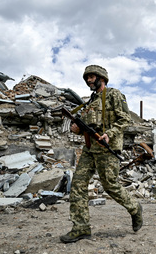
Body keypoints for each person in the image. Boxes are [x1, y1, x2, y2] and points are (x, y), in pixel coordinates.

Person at [60, 65, 143, 243]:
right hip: (90, 149)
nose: (89, 80)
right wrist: (76, 129)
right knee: (78, 184)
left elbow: (125, 119)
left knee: (111, 186)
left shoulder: (114, 94)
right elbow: (86, 128)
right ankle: (81, 228)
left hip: (108, 147)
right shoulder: (90, 102)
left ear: (102, 78)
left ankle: (135, 208)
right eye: (87, 78)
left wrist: (109, 134)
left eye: (92, 77)